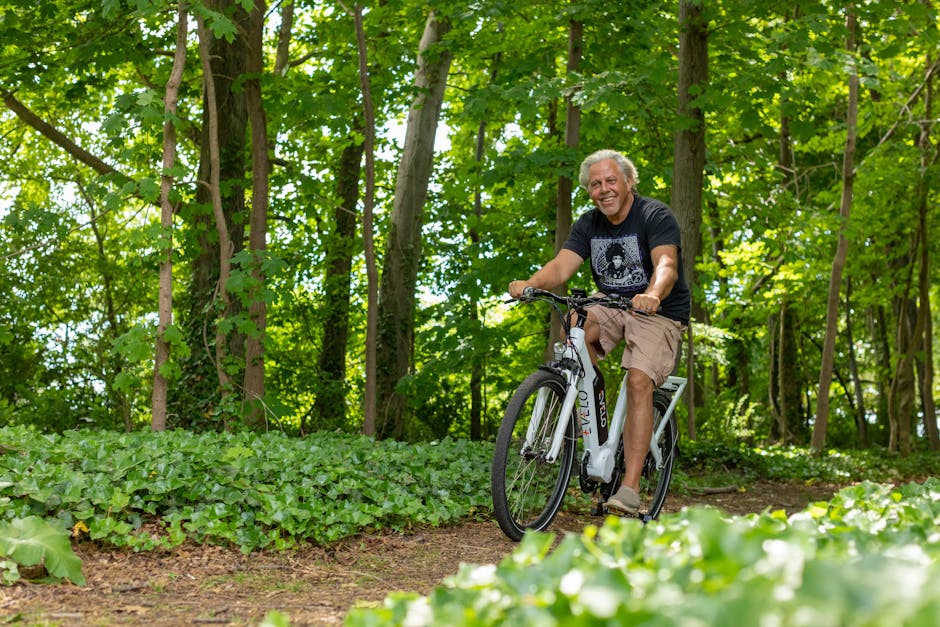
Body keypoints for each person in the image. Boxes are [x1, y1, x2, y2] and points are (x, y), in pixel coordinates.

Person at [508, 149, 690, 516]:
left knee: (639, 381)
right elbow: (562, 267)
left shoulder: (654, 215)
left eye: (610, 181)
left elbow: (666, 264)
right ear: (589, 191)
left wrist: (653, 294)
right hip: (610, 304)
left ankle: (629, 487)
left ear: (628, 182)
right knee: (575, 325)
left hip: (657, 311)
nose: (603, 189)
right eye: (595, 184)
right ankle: (596, 414)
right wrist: (530, 283)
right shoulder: (588, 224)